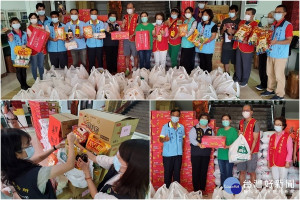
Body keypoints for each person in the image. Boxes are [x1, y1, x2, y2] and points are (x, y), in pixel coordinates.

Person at [1, 128, 76, 199]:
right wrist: (71, 142)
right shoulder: (38, 174)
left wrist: (55, 148)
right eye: (28, 144)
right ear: (16, 153)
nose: (31, 145)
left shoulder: (11, 166)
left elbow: (38, 158)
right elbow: (69, 165)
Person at [76, 139, 149, 199]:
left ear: (131, 167)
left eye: (119, 158)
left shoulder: (125, 196)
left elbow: (96, 196)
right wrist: (78, 145)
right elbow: (95, 158)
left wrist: (86, 172)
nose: (115, 158)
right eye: (117, 153)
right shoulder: (119, 163)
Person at [261, 5, 293, 100]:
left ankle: (280, 94)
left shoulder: (288, 25)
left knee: (279, 75)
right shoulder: (273, 25)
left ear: (284, 14)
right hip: (271, 53)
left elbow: (289, 41)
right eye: (276, 12)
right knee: (269, 73)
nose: (277, 14)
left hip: (280, 55)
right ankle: (270, 89)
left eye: (279, 12)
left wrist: (276, 42)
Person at [189, 113, 214, 196]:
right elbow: (192, 139)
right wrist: (199, 144)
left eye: (205, 118)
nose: (204, 119)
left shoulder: (210, 130)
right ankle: (196, 190)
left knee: (204, 172)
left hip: (206, 154)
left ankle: (202, 190)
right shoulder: (194, 129)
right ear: (199, 119)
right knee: (196, 172)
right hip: (196, 154)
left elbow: (213, 140)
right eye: (202, 118)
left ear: (208, 120)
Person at [159, 109, 185, 188]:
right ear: (171, 116)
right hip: (168, 155)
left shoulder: (182, 127)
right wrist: (164, 139)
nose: (175, 117)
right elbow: (160, 139)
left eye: (177, 116)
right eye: (174, 115)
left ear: (179, 117)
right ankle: (167, 191)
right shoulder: (165, 127)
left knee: (177, 174)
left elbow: (183, 139)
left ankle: (176, 192)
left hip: (178, 155)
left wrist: (182, 150)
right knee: (168, 174)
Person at [233, 8, 258, 87]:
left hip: (247, 47)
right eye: (246, 13)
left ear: (253, 15)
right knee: (238, 63)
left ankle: (244, 80)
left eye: (248, 14)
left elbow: (255, 37)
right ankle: (238, 78)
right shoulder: (242, 22)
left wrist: (247, 41)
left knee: (246, 65)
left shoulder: (255, 24)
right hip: (239, 45)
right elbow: (238, 32)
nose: (246, 15)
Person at [237, 104, 260, 186]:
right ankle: (241, 190)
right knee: (242, 171)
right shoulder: (241, 122)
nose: (245, 112)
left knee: (251, 171)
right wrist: (239, 134)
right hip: (242, 151)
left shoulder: (255, 123)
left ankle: (253, 190)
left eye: (247, 110)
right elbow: (239, 135)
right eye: (243, 110)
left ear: (251, 112)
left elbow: (255, 139)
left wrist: (250, 152)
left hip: (252, 152)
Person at [267, 117, 293, 185]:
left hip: (283, 161)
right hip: (273, 160)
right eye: (275, 124)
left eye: (279, 124)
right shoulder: (272, 136)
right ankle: (276, 194)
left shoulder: (287, 137)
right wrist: (268, 161)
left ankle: (282, 194)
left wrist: (288, 161)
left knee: (283, 179)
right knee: (275, 179)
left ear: (283, 126)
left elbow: (290, 150)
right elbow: (269, 149)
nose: (277, 126)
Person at [7, 17, 30, 90]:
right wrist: (10, 38)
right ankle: (22, 85)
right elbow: (12, 44)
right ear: (11, 25)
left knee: (24, 70)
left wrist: (25, 45)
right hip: (16, 55)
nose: (16, 24)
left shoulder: (24, 33)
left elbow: (27, 42)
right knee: (19, 70)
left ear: (19, 23)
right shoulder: (10, 34)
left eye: (17, 22)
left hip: (24, 54)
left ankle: (25, 84)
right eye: (13, 23)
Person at [217, 114, 238, 187]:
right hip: (221, 155)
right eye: (223, 119)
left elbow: (236, 143)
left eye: (227, 119)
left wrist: (228, 146)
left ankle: (229, 188)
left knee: (229, 173)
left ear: (230, 121)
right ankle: (222, 187)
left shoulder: (233, 131)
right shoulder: (220, 130)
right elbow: (217, 141)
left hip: (229, 156)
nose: (225, 121)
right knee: (222, 172)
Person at [255, 11, 274, 91]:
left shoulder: (274, 28)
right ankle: (262, 83)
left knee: (268, 69)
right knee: (261, 67)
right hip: (262, 50)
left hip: (270, 51)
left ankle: (268, 86)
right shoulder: (265, 26)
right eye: (268, 17)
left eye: (270, 17)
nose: (269, 19)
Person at [220, 5, 240, 75]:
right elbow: (221, 32)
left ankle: (236, 74)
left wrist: (233, 36)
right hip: (226, 44)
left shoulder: (239, 21)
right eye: (230, 11)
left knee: (235, 61)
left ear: (236, 12)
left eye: (233, 11)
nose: (231, 13)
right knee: (225, 60)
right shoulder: (225, 21)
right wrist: (223, 29)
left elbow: (241, 34)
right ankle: (227, 73)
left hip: (235, 45)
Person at [27, 13, 46, 80]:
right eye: (32, 18)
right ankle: (36, 80)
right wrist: (37, 30)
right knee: (34, 66)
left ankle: (42, 78)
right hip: (33, 50)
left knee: (41, 65)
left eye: (34, 18)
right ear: (29, 19)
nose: (33, 19)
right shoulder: (29, 28)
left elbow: (44, 36)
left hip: (41, 49)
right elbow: (31, 39)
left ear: (37, 18)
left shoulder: (41, 26)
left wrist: (40, 29)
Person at [85, 9, 104, 73]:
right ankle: (91, 75)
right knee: (91, 61)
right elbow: (86, 34)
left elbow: (102, 33)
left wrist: (100, 36)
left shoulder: (101, 23)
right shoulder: (87, 24)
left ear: (97, 15)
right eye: (92, 14)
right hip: (90, 45)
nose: (94, 15)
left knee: (100, 61)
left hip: (99, 45)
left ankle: (101, 75)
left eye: (95, 14)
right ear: (90, 15)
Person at [121, 2, 139, 71]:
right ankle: (127, 69)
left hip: (134, 38)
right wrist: (123, 24)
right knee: (127, 55)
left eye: (130, 8)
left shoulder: (137, 16)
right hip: (126, 38)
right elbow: (122, 26)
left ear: (133, 9)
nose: (129, 9)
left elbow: (138, 27)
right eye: (128, 8)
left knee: (135, 55)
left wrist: (134, 34)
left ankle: (135, 68)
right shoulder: (125, 16)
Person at [180, 7, 197, 74]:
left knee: (189, 61)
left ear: (192, 13)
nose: (187, 14)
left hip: (190, 44)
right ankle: (183, 75)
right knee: (183, 60)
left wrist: (185, 33)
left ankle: (189, 74)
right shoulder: (185, 21)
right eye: (186, 12)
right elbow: (182, 32)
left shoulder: (194, 21)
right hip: (184, 44)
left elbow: (192, 31)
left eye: (189, 12)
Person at [36, 2, 51, 71]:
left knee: (51, 57)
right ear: (37, 10)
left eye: (42, 9)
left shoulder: (49, 19)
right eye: (39, 9)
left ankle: (52, 71)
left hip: (50, 41)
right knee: (43, 59)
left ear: (44, 10)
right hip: (40, 43)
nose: (41, 11)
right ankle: (45, 72)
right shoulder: (35, 21)